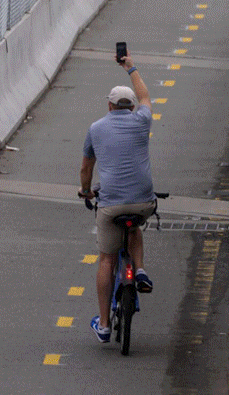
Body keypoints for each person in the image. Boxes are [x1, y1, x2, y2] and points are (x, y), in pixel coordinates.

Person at [77, 53, 157, 343]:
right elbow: (146, 95)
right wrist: (130, 67)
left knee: (107, 260)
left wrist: (86, 190)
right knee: (134, 227)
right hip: (142, 201)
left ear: (109, 106)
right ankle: (141, 270)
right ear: (132, 106)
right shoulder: (142, 120)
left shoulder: (96, 128)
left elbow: (87, 168)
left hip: (110, 204)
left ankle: (105, 324)